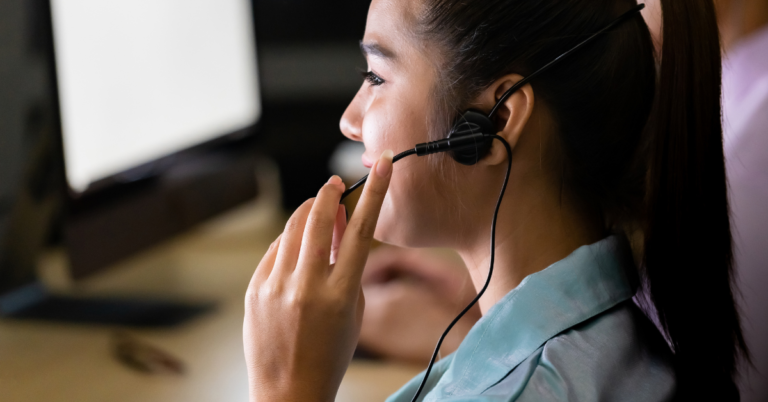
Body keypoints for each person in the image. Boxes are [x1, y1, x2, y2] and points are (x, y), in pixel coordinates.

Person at [242, 0, 747, 401]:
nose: (349, 121)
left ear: (496, 121)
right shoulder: (614, 339)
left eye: (376, 76)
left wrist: (287, 387)